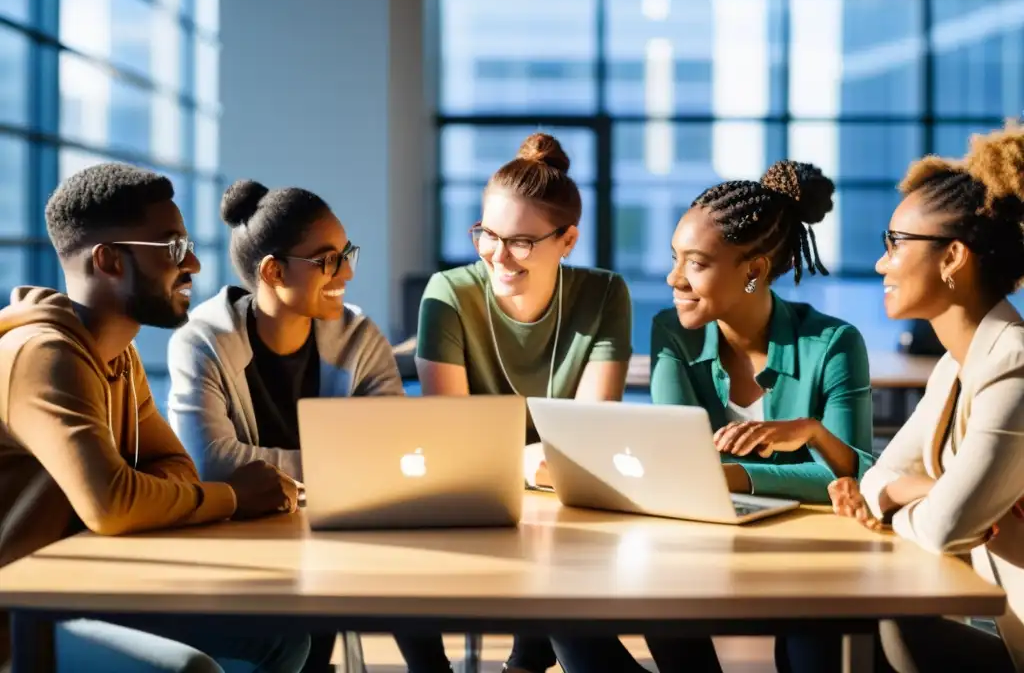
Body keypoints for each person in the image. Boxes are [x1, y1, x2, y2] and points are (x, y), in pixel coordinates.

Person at [550, 160, 875, 673]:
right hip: (695, 546)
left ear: (754, 271)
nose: (673, 278)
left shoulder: (833, 344)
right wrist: (772, 470)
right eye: (675, 258)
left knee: (817, 641)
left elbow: (855, 472)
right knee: (567, 614)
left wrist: (740, 469)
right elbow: (684, 463)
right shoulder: (672, 333)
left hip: (810, 557)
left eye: (696, 263)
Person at [0, 163, 309, 672]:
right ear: (108, 261)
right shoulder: (43, 355)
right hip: (24, 621)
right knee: (205, 663)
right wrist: (233, 496)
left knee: (282, 635)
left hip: (96, 588)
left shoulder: (119, 355)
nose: (193, 264)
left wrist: (145, 493)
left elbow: (175, 467)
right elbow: (113, 503)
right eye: (171, 248)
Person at [400, 132, 633, 673]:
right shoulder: (449, 294)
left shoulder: (603, 296)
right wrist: (531, 460)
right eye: (487, 234)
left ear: (568, 240)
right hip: (472, 500)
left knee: (565, 552)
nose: (497, 256)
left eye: (522, 242)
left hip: (565, 511)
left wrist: (536, 462)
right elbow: (453, 438)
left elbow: (591, 440)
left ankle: (528, 660)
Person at [167, 179, 404, 671]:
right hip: (237, 547)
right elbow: (211, 462)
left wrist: (276, 475)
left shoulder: (360, 338)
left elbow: (392, 448)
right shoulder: (202, 342)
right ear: (273, 271)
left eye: (347, 253)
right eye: (328, 260)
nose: (348, 272)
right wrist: (343, 469)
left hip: (335, 543)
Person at [829, 125, 1024, 672]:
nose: (881, 263)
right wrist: (923, 490)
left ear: (953, 257)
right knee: (876, 618)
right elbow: (875, 483)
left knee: (889, 620)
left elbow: (943, 528)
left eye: (896, 243)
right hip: (1013, 640)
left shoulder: (1015, 365)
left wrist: (909, 496)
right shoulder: (953, 367)